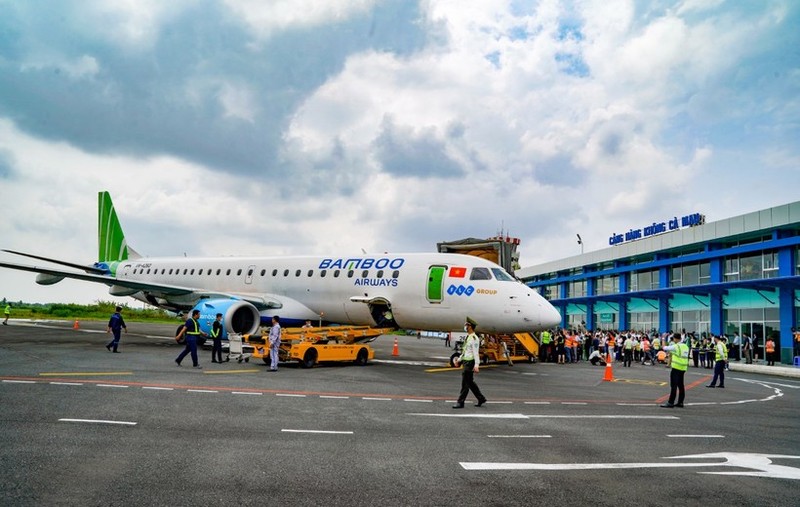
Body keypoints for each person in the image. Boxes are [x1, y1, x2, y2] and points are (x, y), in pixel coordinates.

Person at [452, 317, 486, 409]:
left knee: (465, 383)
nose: (465, 326)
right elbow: (465, 351)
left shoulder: (474, 338)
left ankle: (460, 402)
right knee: (470, 382)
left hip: (470, 362)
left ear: (470, 326)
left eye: (466, 325)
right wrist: (459, 360)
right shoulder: (468, 337)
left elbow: (475, 353)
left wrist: (476, 365)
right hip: (466, 361)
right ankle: (481, 398)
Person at [660, 333, 689, 408]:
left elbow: (664, 347)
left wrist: (663, 338)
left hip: (676, 367)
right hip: (683, 368)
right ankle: (680, 402)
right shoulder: (685, 346)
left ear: (676, 339)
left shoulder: (676, 346)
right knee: (681, 385)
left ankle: (671, 402)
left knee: (674, 385)